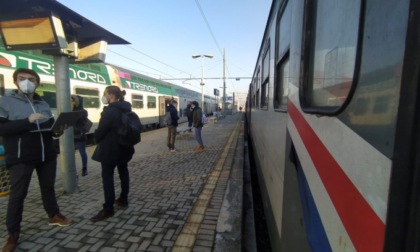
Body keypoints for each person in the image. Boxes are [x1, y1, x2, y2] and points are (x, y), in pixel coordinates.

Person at [0, 68, 72, 251]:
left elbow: (49, 127)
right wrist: (27, 121)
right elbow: (2, 130)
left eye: (31, 79)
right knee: (18, 195)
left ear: (37, 83)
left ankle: (53, 215)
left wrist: (58, 129)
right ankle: (13, 234)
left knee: (48, 188)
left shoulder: (43, 103)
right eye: (22, 78)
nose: (26, 82)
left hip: (46, 154)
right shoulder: (5, 102)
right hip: (21, 157)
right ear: (15, 82)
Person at [91, 86, 135, 222]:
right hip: (124, 147)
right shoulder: (127, 108)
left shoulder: (110, 111)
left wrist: (95, 137)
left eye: (105, 94)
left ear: (110, 95)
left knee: (108, 178)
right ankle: (123, 199)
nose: (104, 97)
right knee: (123, 172)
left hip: (110, 150)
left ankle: (108, 208)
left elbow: (101, 131)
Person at [71, 95, 89, 176]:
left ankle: (84, 168)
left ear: (76, 102)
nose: (70, 102)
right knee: (71, 155)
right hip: (71, 136)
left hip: (79, 135)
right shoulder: (69, 111)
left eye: (71, 101)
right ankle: (73, 171)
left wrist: (71, 110)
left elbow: (76, 120)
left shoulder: (83, 112)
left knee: (82, 153)